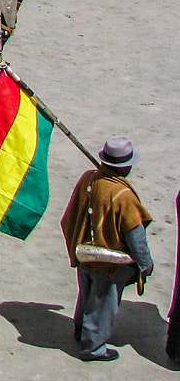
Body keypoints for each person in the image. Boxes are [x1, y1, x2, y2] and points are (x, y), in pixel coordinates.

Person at [61, 136, 154, 362]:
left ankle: (80, 328)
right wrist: (145, 264)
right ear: (126, 167)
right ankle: (93, 348)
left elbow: (71, 216)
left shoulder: (89, 179)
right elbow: (135, 236)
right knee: (103, 305)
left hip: (85, 252)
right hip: (110, 263)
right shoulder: (124, 196)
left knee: (86, 294)